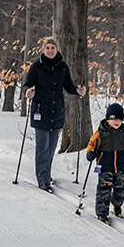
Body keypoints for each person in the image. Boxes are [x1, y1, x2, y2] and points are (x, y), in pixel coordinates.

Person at [22, 37, 86, 193]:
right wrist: (28, 92)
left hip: (57, 111)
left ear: (57, 49)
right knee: (42, 147)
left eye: (53, 48)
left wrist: (78, 91)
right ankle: (43, 179)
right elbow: (27, 84)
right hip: (41, 111)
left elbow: (69, 86)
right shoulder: (37, 66)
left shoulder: (63, 67)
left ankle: (46, 173)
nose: (50, 50)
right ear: (43, 50)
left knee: (51, 148)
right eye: (47, 48)